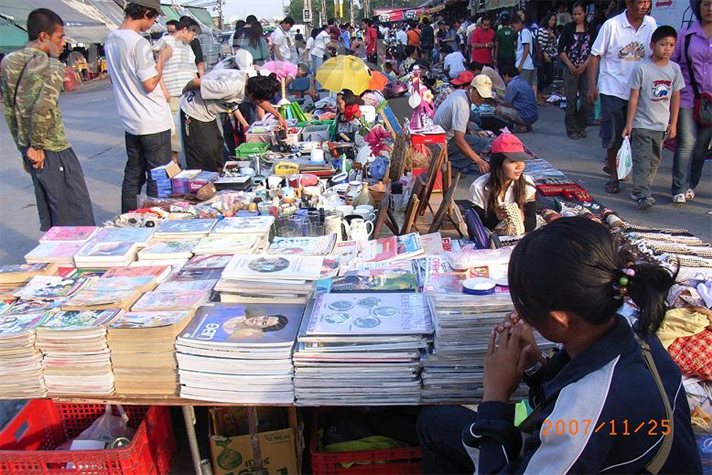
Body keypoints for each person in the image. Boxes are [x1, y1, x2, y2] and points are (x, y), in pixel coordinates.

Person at [418, 216, 702, 474]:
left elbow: (576, 418)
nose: (522, 316)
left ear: (559, 320)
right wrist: (535, 368)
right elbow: (568, 394)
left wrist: (495, 396)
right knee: (437, 421)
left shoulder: (584, 412)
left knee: (439, 427)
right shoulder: (634, 333)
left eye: (524, 308)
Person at [1, 8, 95, 231]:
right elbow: (43, 107)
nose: (63, 43)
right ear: (43, 36)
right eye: (60, 37)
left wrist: (24, 149)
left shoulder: (8, 62)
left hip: (32, 151)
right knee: (77, 220)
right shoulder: (52, 66)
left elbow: (10, 109)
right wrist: (36, 146)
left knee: (54, 218)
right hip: (52, 149)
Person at [105, 0, 174, 213]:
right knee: (159, 175)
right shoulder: (138, 43)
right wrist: (161, 59)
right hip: (152, 120)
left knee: (133, 173)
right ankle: (158, 219)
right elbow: (150, 83)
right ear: (145, 13)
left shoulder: (110, 40)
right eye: (153, 18)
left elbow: (113, 79)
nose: (153, 24)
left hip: (131, 121)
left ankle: (129, 219)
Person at [588, 0, 657, 194]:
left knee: (638, 136)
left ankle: (633, 175)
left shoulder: (651, 24)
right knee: (613, 136)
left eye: (647, 2)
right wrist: (592, 86)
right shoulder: (612, 25)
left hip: (640, 90)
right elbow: (595, 56)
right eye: (640, 2)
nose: (644, 6)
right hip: (613, 89)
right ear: (628, 3)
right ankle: (614, 177)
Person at [622, 26, 683, 210]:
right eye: (663, 44)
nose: (667, 49)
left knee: (655, 160)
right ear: (652, 45)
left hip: (661, 125)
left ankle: (641, 189)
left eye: (671, 45)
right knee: (642, 158)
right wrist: (629, 124)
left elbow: (676, 97)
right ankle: (642, 193)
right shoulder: (642, 68)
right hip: (642, 123)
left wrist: (673, 123)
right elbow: (634, 97)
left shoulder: (674, 69)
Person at [180, 70, 284, 171]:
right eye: (259, 100)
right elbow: (195, 82)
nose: (260, 103)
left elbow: (232, 103)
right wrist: (184, 91)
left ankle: (219, 175)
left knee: (218, 149)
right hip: (193, 111)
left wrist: (277, 115)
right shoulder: (228, 88)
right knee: (203, 154)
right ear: (252, 94)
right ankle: (204, 179)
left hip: (208, 113)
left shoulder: (247, 84)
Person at [670, 0, 712, 204]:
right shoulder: (685, 35)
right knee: (686, 142)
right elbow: (673, 64)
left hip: (711, 101)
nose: (710, 9)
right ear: (698, 7)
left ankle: (691, 184)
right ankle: (679, 187)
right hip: (687, 96)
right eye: (706, 4)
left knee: (702, 146)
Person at [468, 134, 537, 232]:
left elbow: (532, 223)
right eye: (512, 161)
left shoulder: (526, 183)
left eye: (521, 160)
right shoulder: (479, 187)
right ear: (498, 163)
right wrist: (496, 217)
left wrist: (522, 218)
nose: (520, 166)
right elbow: (476, 227)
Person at [155, 15, 199, 164]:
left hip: (188, 96)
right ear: (185, 30)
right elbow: (156, 67)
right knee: (174, 134)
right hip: (173, 94)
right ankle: (174, 164)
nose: (193, 38)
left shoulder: (187, 47)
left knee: (188, 132)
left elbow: (193, 71)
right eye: (192, 34)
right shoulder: (166, 42)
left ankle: (189, 164)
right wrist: (164, 90)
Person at [433, 74, 493, 174]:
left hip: (440, 137)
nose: (482, 99)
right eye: (479, 95)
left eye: (484, 97)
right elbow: (459, 141)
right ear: (471, 89)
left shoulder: (461, 93)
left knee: (476, 132)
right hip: (442, 143)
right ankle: (451, 164)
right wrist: (479, 160)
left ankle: (456, 163)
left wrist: (473, 132)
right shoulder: (462, 106)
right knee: (484, 143)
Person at [558, 2, 597, 139]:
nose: (577, 17)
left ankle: (580, 125)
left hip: (586, 68)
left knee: (587, 101)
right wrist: (570, 65)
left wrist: (585, 65)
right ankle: (571, 129)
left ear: (585, 13)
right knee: (571, 101)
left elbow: (594, 50)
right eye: (574, 14)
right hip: (570, 68)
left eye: (579, 14)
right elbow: (561, 50)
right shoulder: (568, 28)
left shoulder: (591, 28)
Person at [497, 64, 539, 131]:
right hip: (533, 115)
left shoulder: (512, 85)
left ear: (507, 75)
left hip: (524, 116)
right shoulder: (524, 81)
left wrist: (497, 100)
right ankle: (525, 124)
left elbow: (506, 103)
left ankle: (521, 125)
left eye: (503, 77)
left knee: (498, 109)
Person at [536, 12, 558, 103]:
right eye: (551, 20)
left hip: (550, 57)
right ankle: (539, 96)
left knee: (550, 77)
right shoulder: (541, 30)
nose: (553, 22)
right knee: (541, 77)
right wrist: (544, 54)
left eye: (554, 20)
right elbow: (539, 44)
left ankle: (541, 92)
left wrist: (554, 38)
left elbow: (555, 46)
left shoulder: (553, 31)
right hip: (542, 57)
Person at [511, 15, 537, 92]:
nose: (513, 29)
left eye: (513, 27)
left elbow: (526, 48)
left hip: (524, 66)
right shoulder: (523, 32)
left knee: (523, 89)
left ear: (519, 23)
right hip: (526, 65)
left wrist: (521, 65)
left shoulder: (525, 32)